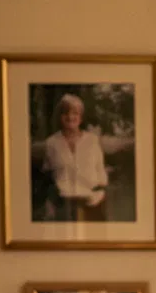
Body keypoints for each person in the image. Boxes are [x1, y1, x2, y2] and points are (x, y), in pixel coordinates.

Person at [43, 92, 109, 222]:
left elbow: (101, 174)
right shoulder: (51, 143)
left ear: (81, 117)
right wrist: (50, 204)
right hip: (64, 205)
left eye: (75, 113)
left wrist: (99, 195)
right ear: (60, 117)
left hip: (93, 202)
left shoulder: (92, 140)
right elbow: (48, 177)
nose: (70, 117)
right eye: (65, 113)